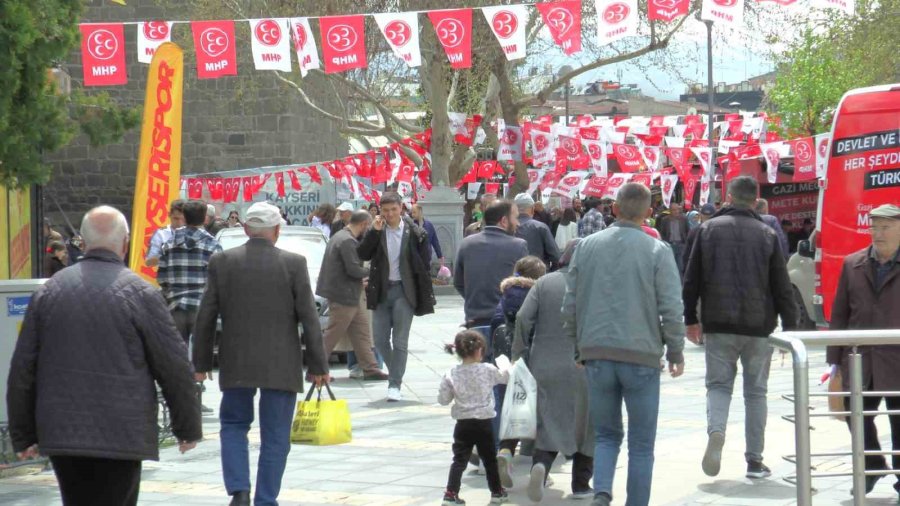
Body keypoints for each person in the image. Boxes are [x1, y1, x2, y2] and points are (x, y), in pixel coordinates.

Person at [8, 206, 201, 506]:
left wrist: (23, 434)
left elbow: (23, 367)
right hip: (123, 431)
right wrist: (186, 427)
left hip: (64, 432)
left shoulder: (50, 292)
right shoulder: (141, 293)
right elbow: (173, 365)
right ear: (125, 243)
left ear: (82, 243)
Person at [193, 201, 329, 506]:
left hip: (236, 361)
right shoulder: (294, 263)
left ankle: (239, 490)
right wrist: (319, 366)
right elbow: (309, 317)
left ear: (245, 229)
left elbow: (206, 315)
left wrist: (200, 364)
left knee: (233, 426)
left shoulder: (223, 261)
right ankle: (265, 499)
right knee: (276, 436)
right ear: (277, 231)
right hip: (281, 364)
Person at [562, 183, 685, 506]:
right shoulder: (658, 250)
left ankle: (601, 492)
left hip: (596, 352)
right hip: (642, 354)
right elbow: (671, 307)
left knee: (605, 434)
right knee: (642, 443)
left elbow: (570, 302)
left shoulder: (585, 247)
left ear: (613, 208)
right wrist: (675, 350)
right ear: (648, 213)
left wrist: (577, 345)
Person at [682, 176, 798, 481]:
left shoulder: (706, 230)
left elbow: (690, 278)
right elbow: (781, 284)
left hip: (718, 324)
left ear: (729, 197)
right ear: (755, 199)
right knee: (756, 393)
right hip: (759, 326)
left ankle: (717, 431)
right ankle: (754, 461)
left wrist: (690, 319)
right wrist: (792, 327)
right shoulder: (767, 233)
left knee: (719, 386)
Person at [826, 203, 900, 497]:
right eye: (874, 227)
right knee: (856, 416)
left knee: (899, 424)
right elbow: (840, 314)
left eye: (885, 227)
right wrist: (834, 363)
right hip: (861, 360)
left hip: (896, 361)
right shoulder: (852, 264)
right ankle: (872, 465)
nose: (878, 234)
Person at [515, 239, 594, 502]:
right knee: (586, 424)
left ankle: (541, 465)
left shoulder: (544, 282)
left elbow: (522, 318)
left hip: (544, 363)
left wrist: (519, 353)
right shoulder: (594, 284)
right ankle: (581, 485)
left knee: (548, 419)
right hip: (584, 363)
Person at [358, 192, 435, 402]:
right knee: (381, 341)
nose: (390, 214)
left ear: (401, 208)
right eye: (386, 210)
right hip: (381, 291)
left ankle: (395, 384)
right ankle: (396, 373)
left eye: (394, 209)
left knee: (400, 342)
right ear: (380, 211)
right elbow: (362, 253)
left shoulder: (414, 231)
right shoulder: (376, 230)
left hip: (404, 290)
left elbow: (425, 260)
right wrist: (373, 232)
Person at [157, 200, 223, 414]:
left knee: (178, 356)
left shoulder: (169, 244)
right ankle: (196, 397)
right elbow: (218, 280)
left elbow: (162, 277)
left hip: (175, 306)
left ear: (183, 217)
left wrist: (171, 294)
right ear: (205, 218)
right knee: (200, 355)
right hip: (201, 307)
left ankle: (179, 399)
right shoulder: (212, 245)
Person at [489, 256, 546, 489]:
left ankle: (505, 451)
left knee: (514, 406)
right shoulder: (537, 295)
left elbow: (495, 322)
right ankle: (539, 463)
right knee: (541, 410)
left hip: (509, 360)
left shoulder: (506, 295)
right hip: (534, 357)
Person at [439, 330, 510, 505]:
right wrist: (508, 365)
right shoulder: (487, 369)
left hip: (463, 424)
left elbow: (443, 399)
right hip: (484, 423)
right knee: (489, 460)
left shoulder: (451, 373)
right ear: (479, 350)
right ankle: (497, 492)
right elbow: (506, 378)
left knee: (459, 460)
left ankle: (450, 493)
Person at [317, 210, 388, 381]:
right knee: (332, 334)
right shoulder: (347, 241)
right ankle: (317, 369)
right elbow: (354, 269)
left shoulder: (339, 236)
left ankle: (370, 368)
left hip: (350, 293)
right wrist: (373, 272)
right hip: (343, 295)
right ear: (364, 224)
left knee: (362, 332)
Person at [454, 200, 529, 330]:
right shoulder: (518, 245)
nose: (518, 223)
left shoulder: (466, 244)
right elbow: (526, 284)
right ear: (504, 221)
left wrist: (475, 299)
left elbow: (458, 282)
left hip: (474, 319)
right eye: (515, 218)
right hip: (505, 321)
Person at [514, 193, 560, 269]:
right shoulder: (540, 227)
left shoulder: (507, 227)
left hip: (513, 277)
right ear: (532, 209)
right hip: (538, 275)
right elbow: (555, 256)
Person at [145, 199, 186, 267]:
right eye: (176, 218)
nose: (179, 223)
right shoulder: (160, 234)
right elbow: (148, 262)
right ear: (169, 215)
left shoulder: (193, 233)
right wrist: (167, 253)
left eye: (183, 219)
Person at [657, 202, 689, 276]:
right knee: (670, 266)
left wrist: (686, 244)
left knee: (680, 266)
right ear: (670, 211)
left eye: (677, 209)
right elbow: (662, 233)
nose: (676, 211)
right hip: (670, 245)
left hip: (681, 245)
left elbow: (688, 231)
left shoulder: (683, 219)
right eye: (674, 210)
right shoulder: (665, 220)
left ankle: (680, 285)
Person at [411, 203, 445, 268]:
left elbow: (435, 242)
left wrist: (440, 256)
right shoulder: (411, 226)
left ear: (420, 211)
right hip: (414, 259)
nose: (412, 215)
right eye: (412, 212)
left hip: (426, 258)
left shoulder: (429, 225)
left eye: (414, 212)